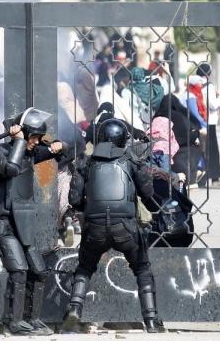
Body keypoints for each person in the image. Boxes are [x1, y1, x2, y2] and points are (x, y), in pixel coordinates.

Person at [63, 118, 165, 333]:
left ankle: (74, 311)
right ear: (123, 139)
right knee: (142, 269)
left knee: (84, 268)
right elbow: (148, 194)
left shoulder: (85, 162)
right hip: (125, 228)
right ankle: (152, 321)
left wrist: (89, 206)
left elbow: (74, 200)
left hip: (95, 227)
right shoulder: (131, 161)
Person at [0, 108, 68, 335]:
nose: (36, 142)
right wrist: (20, 142)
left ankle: (32, 319)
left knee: (39, 271)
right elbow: (11, 169)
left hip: (24, 223)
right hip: (4, 222)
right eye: (33, 137)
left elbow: (64, 154)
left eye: (38, 138)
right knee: (19, 271)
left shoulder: (31, 152)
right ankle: (13, 322)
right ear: (21, 134)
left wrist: (59, 145)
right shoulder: (0, 152)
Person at [197, 63, 220, 185]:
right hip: (210, 121)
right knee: (212, 150)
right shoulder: (209, 86)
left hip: (200, 120)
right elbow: (213, 105)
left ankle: (203, 174)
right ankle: (214, 175)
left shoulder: (197, 84)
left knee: (203, 149)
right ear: (208, 73)